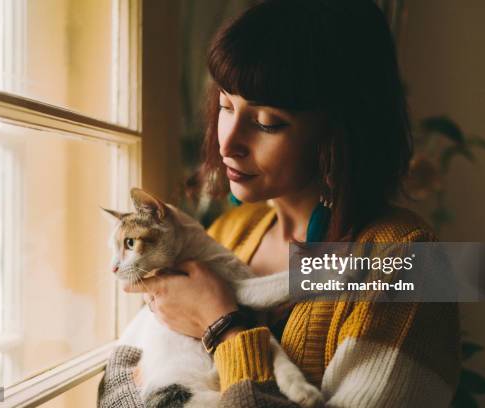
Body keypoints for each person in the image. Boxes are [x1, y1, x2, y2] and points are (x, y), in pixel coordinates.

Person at [98, 0, 462, 406]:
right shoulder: (233, 230)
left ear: (339, 132)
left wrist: (222, 326)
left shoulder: (406, 264)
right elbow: (117, 381)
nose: (229, 144)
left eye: (266, 123)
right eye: (225, 106)